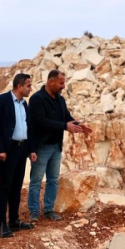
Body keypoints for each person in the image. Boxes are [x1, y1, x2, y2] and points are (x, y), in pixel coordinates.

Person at [28, 70, 92, 222]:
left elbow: (66, 117)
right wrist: (65, 126)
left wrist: (79, 125)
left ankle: (49, 210)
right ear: (51, 82)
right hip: (41, 147)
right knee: (36, 181)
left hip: (56, 147)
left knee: (53, 180)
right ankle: (34, 212)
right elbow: (41, 122)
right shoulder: (37, 99)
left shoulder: (60, 100)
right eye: (61, 83)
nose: (63, 86)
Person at [0, 73, 38, 238]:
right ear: (19, 86)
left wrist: (31, 149)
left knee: (17, 186)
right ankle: (1, 224)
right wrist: (0, 149)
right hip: (7, 150)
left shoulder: (24, 104)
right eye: (28, 86)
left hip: (21, 149)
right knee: (5, 187)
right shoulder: (1, 100)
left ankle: (14, 220)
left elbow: (27, 128)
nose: (30, 89)